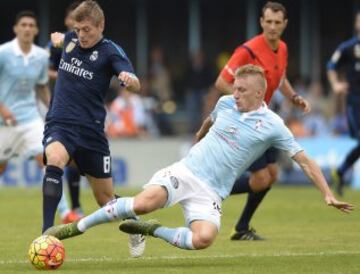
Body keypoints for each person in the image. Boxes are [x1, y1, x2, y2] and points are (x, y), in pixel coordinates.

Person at [44, 65, 353, 253]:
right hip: (187, 171)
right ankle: (76, 228)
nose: (235, 94)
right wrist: (199, 136)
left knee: (203, 239)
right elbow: (210, 118)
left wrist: (327, 194)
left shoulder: (272, 124)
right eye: (234, 88)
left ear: (260, 95)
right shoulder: (226, 102)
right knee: (141, 203)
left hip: (213, 192)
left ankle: (150, 230)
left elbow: (304, 160)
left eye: (242, 90)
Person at [41, 0, 144, 257]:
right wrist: (56, 43)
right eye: (78, 29)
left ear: (101, 25)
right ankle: (45, 235)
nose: (82, 35)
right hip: (60, 123)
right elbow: (52, 60)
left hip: (92, 132)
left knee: (105, 199)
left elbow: (134, 84)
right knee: (54, 158)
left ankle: (135, 226)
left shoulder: (111, 51)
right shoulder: (69, 40)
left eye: (87, 29)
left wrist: (129, 81)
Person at [214, 1, 311, 240]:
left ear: (285, 24)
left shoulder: (283, 48)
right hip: (246, 123)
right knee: (260, 179)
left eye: (277, 22)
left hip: (262, 121)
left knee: (271, 176)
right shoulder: (248, 50)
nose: (272, 26)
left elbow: (281, 78)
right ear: (261, 22)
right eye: (268, 21)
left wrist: (294, 97)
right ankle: (213, 193)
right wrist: (243, 105)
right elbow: (221, 82)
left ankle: (241, 227)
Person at [0, 12, 52, 181]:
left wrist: (53, 110)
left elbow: (42, 86)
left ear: (36, 30)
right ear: (15, 29)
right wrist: (2, 109)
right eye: (23, 25)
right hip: (5, 120)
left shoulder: (42, 56)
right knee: (1, 166)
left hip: (30, 117)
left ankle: (64, 208)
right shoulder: (3, 52)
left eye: (31, 25)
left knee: (47, 159)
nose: (27, 28)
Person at [48, 0, 84, 224]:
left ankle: (74, 205)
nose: (76, 23)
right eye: (74, 18)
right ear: (67, 20)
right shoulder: (56, 43)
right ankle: (67, 209)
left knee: (77, 161)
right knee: (62, 158)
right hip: (61, 108)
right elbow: (46, 71)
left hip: (85, 109)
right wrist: (66, 73)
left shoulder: (92, 45)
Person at [327, 11, 360, 196]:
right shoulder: (348, 47)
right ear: (356, 24)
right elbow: (331, 65)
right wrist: (335, 84)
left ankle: (339, 172)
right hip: (355, 100)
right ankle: (340, 172)